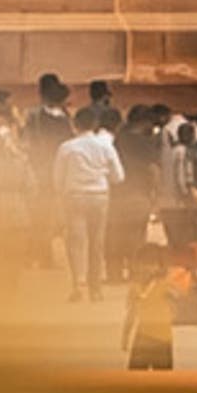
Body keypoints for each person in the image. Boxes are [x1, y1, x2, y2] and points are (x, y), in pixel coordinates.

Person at [54, 102, 125, 304]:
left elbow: (57, 178)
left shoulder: (66, 147)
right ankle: (96, 289)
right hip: (99, 196)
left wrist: (62, 193)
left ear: (74, 125)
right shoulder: (106, 146)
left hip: (74, 196)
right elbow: (118, 176)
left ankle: (78, 284)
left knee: (76, 242)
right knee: (97, 242)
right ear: (95, 124)